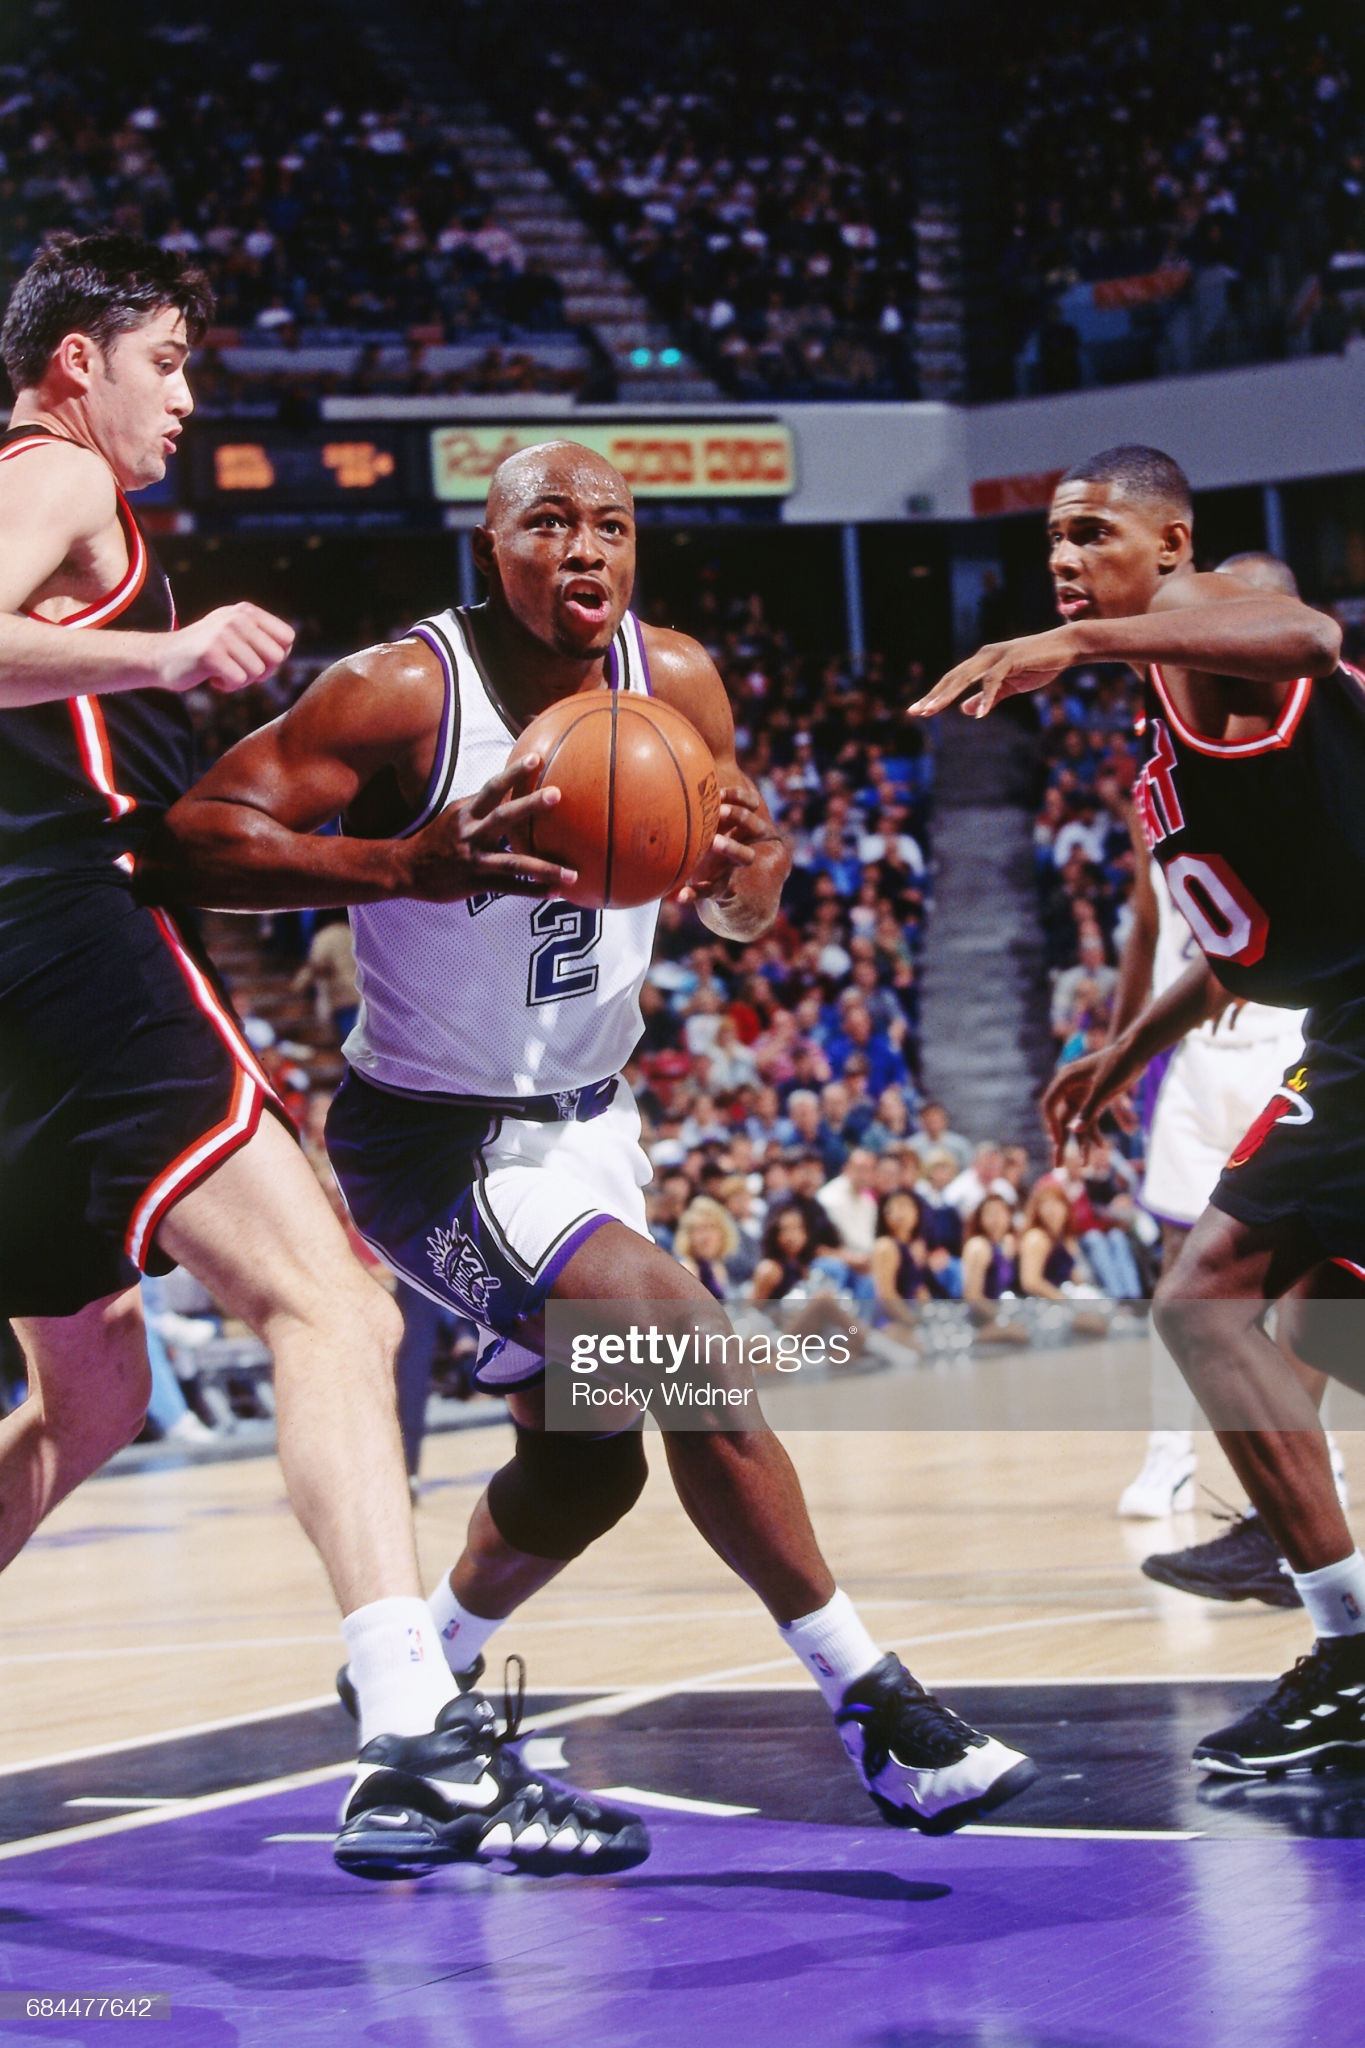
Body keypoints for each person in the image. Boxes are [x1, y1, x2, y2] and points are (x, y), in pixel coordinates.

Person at [147, 440, 1036, 1836]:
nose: (582, 551)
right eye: (546, 523)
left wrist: (753, 870)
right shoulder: (402, 693)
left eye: (609, 526)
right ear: (489, 546)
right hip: (431, 1136)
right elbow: (189, 839)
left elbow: (739, 906)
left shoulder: (672, 681)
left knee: (585, 1466)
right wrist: (395, 861)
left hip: (587, 1130)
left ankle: (418, 1683)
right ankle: (874, 1708)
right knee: (677, 1329)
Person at [0, 232, 629, 1884]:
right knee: (354, 1310)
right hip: (92, 954)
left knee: (97, 1391)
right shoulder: (53, 475)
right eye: (169, 363)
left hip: (569, 1139)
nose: (189, 400)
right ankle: (437, 1726)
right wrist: (162, 652)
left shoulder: (664, 698)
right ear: (80, 362)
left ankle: (461, 1669)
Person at [916, 442, 1365, 1776]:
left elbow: (1305, 624)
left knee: (1202, 1302)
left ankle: (1347, 1652)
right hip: (1338, 1023)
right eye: (1051, 538)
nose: (1062, 558)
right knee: (1295, 1321)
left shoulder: (1188, 620)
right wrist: (1121, 1050)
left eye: (1091, 531)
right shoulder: (1163, 683)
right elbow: (1238, 948)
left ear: (1168, 546)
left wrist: (1083, 643)